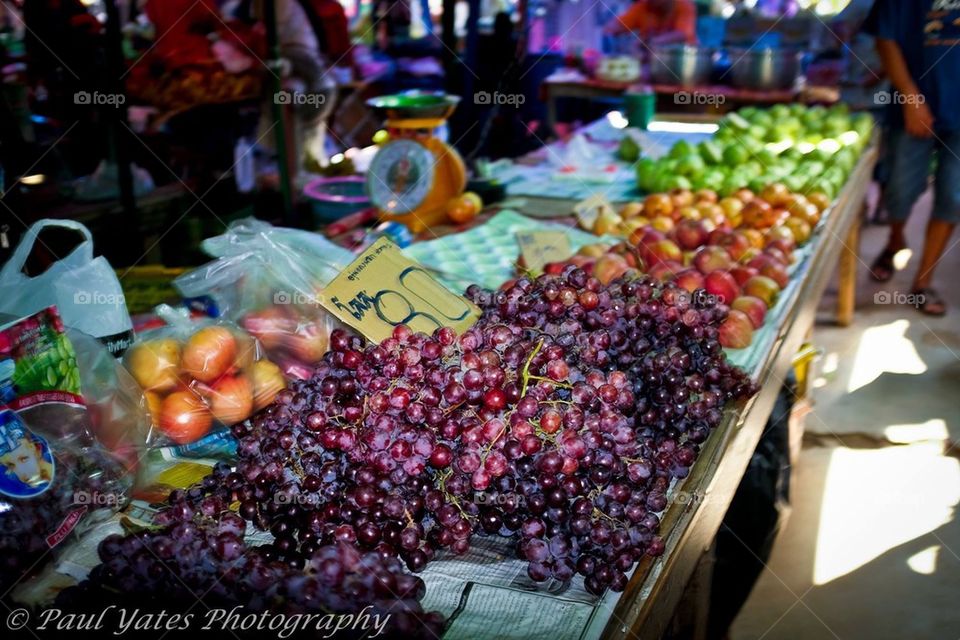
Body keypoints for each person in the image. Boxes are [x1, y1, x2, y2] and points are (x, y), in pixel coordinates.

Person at [866, 0, 959, 316]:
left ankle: (922, 283)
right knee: (899, 188)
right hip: (913, 106)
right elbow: (885, 38)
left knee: (953, 196)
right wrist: (910, 97)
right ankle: (894, 242)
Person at [604, 0, 697, 46]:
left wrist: (649, 42)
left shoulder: (684, 5)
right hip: (651, 66)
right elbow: (612, 28)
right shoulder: (643, 6)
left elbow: (682, 34)